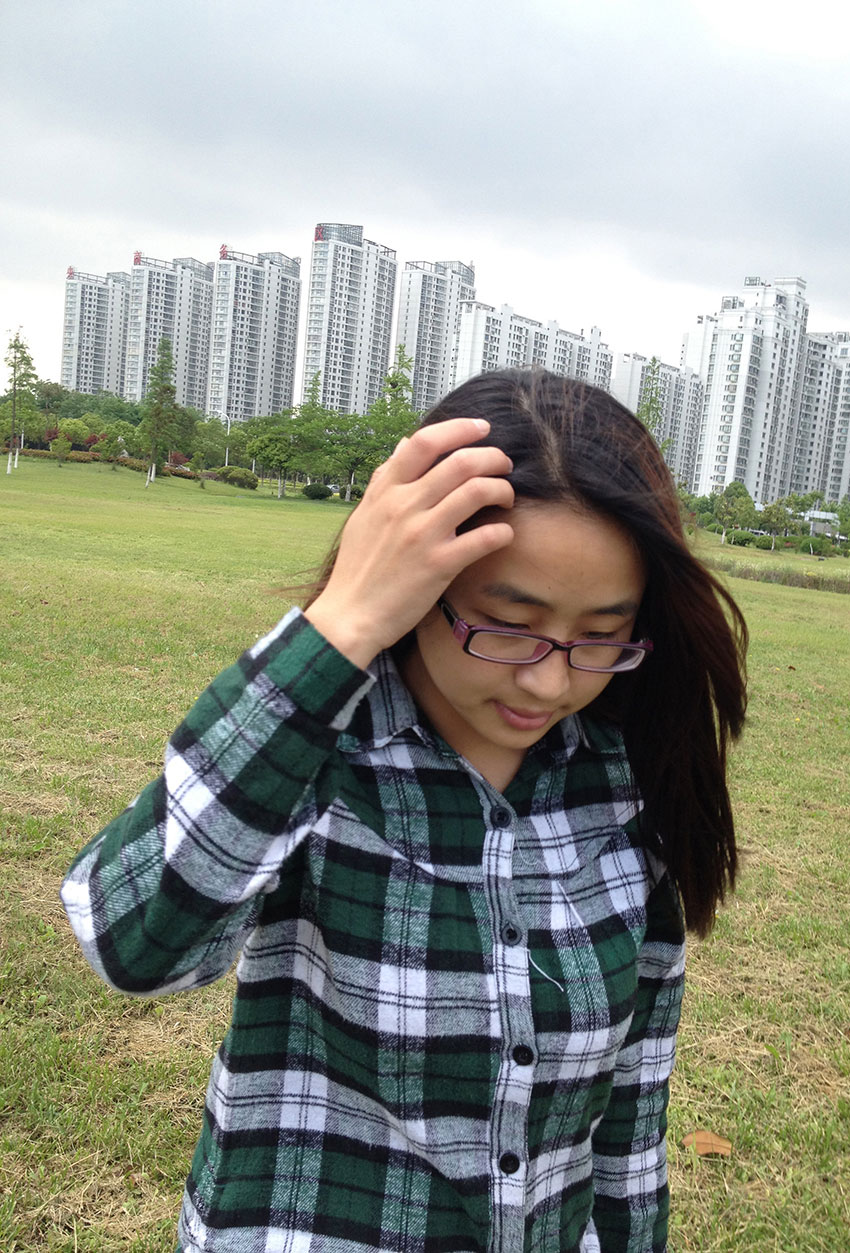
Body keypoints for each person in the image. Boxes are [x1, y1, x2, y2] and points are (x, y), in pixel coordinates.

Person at [61, 367, 747, 1253]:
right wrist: (341, 623)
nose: (549, 680)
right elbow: (129, 942)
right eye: (509, 625)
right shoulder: (314, 754)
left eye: (600, 635)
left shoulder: (623, 785)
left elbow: (628, 1125)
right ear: (419, 583)